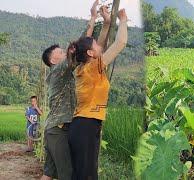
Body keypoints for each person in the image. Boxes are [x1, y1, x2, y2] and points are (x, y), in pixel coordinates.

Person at [40, 0, 111, 179]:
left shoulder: (68, 73)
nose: (66, 54)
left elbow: (82, 49)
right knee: (68, 174)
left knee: (49, 174)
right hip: (59, 130)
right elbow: (79, 47)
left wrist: (95, 18)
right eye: (61, 54)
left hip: (55, 130)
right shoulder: (57, 71)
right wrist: (93, 19)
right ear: (54, 61)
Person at [68, 8, 128, 180]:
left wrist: (107, 22)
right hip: (86, 126)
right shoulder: (94, 68)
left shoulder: (84, 68)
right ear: (90, 53)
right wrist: (122, 20)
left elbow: (100, 45)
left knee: (83, 174)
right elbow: (120, 43)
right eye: (95, 45)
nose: (99, 46)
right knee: (86, 176)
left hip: (82, 125)